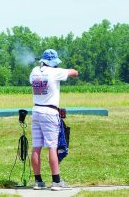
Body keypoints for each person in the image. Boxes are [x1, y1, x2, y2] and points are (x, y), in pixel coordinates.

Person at [29, 49, 78, 190]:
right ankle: (56, 181)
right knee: (52, 146)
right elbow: (74, 72)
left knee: (36, 147)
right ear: (53, 62)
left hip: (36, 110)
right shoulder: (55, 72)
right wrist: (66, 69)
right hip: (50, 112)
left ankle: (38, 181)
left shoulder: (34, 71)